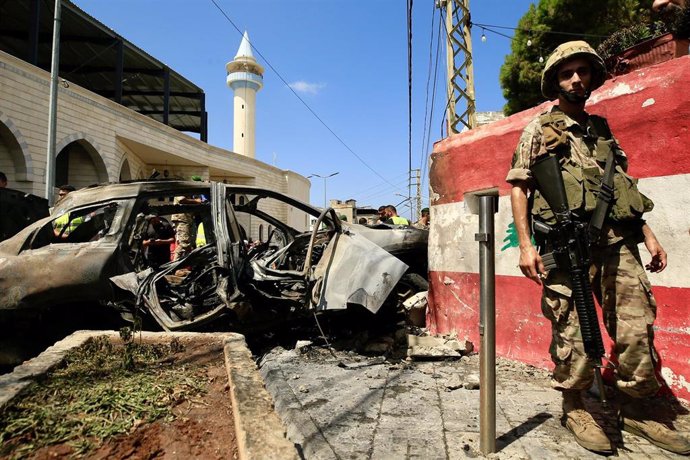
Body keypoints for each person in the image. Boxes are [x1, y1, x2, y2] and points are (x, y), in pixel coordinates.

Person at [506, 41, 689, 455]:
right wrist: (525, 245)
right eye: (567, 73)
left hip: (617, 243)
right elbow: (519, 186)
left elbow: (621, 188)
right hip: (566, 246)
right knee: (573, 328)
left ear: (592, 77)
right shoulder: (539, 129)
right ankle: (576, 407)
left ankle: (637, 408)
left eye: (583, 72)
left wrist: (647, 232)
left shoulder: (601, 129)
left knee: (635, 325)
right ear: (555, 81)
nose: (576, 79)